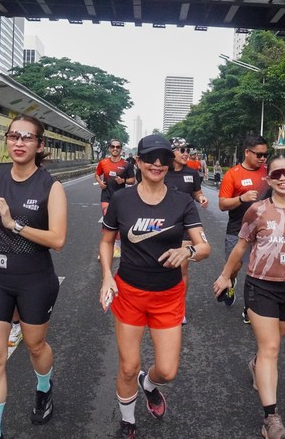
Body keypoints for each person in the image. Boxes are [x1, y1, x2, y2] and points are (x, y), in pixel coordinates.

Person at [0, 114, 67, 438]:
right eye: (13, 136)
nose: (19, 143)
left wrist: (14, 224)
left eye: (27, 137)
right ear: (6, 141)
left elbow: (58, 240)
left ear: (39, 145)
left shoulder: (50, 187)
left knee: (35, 346)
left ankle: (44, 387)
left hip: (35, 277)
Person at [99, 134, 210, 438]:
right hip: (129, 292)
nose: (157, 164)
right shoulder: (122, 200)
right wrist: (107, 275)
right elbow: (107, 241)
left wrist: (188, 251)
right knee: (127, 366)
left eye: (163, 158)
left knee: (168, 371)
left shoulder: (181, 201)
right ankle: (128, 422)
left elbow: (204, 247)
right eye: (150, 158)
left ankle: (148, 383)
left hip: (168, 296)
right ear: (139, 161)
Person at [213, 153, 285, 439]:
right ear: (268, 179)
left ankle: (256, 364)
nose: (283, 179)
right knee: (271, 348)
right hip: (259, 286)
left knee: (274, 342)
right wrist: (226, 275)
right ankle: (271, 419)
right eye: (276, 174)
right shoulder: (257, 211)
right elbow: (240, 247)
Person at [217, 135, 269, 321]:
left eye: (265, 155)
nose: (263, 159)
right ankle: (230, 281)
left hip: (264, 230)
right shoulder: (233, 174)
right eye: (259, 155)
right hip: (237, 228)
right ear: (247, 152)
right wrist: (241, 198)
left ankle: (250, 308)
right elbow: (222, 204)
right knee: (234, 267)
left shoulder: (269, 172)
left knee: (257, 272)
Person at [165, 137, 208, 324]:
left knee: (182, 266)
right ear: (172, 152)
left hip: (185, 224)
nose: (186, 154)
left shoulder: (192, 172)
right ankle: (160, 302)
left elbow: (196, 191)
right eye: (181, 150)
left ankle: (179, 306)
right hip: (163, 224)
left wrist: (201, 198)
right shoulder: (162, 171)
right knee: (163, 265)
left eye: (187, 150)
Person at [95, 140, 136, 258]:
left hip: (120, 197)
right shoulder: (103, 163)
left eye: (118, 147)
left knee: (117, 222)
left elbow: (132, 180)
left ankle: (117, 245)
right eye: (113, 146)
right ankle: (106, 248)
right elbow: (97, 174)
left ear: (121, 149)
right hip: (106, 197)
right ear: (109, 148)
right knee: (106, 221)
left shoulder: (126, 164)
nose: (115, 149)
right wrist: (100, 183)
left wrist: (123, 181)